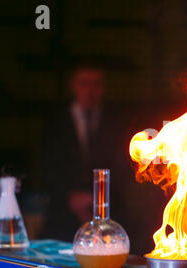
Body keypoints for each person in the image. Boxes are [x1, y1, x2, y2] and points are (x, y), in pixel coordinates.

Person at [42, 61, 129, 241]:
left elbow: (123, 165)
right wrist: (70, 197)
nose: (90, 90)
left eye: (96, 84)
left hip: (109, 212)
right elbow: (46, 164)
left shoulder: (116, 122)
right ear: (73, 85)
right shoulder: (55, 122)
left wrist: (97, 199)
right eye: (84, 83)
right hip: (62, 214)